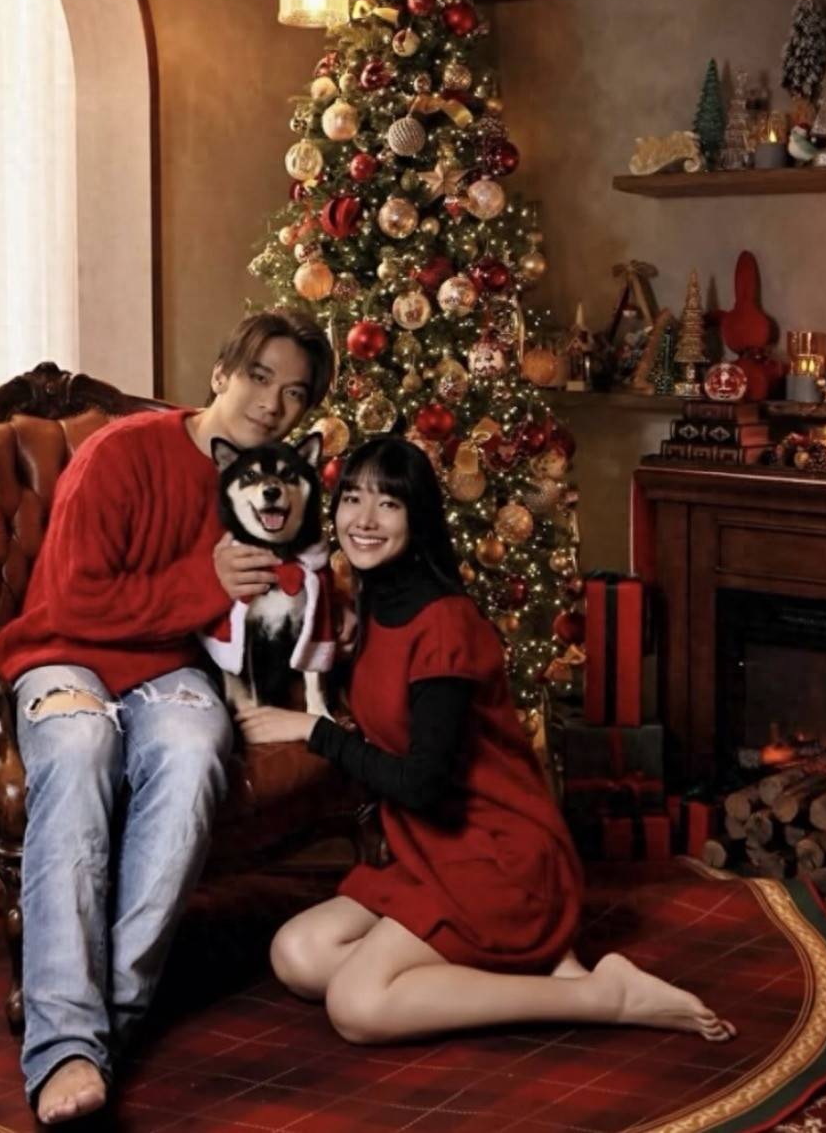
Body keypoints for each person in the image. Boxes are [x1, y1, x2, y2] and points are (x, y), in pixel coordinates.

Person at [238, 436, 734, 1046]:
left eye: (389, 504)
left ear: (417, 519)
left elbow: (423, 785)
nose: (364, 519)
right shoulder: (367, 603)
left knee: (356, 1007)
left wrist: (316, 733)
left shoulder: (444, 625)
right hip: (428, 853)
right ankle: (531, 964)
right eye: (352, 498)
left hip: (497, 856)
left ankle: (603, 996)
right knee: (298, 954)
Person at [0, 309, 335, 1124]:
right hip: (64, 651)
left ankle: (109, 1017)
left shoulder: (271, 489)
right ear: (221, 374)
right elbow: (74, 601)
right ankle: (63, 1047)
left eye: (294, 394)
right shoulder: (122, 451)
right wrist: (205, 580)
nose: (271, 405)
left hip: (168, 670)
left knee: (193, 751)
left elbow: (288, 597)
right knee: (79, 750)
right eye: (258, 378)